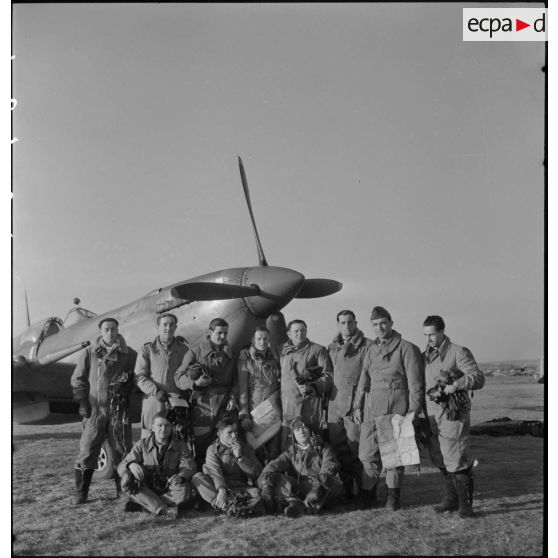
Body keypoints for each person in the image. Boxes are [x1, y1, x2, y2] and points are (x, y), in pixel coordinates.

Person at [354, 306, 424, 511]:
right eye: (375, 325)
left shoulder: (407, 348)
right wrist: (357, 405)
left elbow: (416, 384)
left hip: (396, 406)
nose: (379, 328)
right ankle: (367, 494)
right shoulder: (370, 350)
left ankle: (393, 496)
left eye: (383, 323)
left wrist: (413, 411)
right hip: (372, 408)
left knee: (393, 453)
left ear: (391, 323)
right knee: (367, 453)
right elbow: (363, 380)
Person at [422, 315, 485, 517]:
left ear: (442, 331)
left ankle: (465, 506)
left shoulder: (458, 352)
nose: (429, 339)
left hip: (453, 413)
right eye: (426, 335)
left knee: (457, 457)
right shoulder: (425, 356)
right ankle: (451, 500)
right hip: (433, 415)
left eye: (432, 334)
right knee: (440, 457)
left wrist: (456, 385)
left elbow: (478, 378)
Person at [70, 317, 137, 504]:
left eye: (113, 329)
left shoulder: (129, 354)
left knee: (121, 451)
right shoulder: (90, 353)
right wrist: (83, 400)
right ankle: (81, 493)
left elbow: (137, 376)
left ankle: (123, 491)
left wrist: (128, 387)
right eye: (106, 329)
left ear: (117, 331)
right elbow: (77, 378)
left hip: (118, 411)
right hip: (95, 411)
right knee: (87, 450)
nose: (110, 332)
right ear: (100, 331)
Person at [174, 318, 237, 465]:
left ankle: (225, 475)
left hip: (224, 406)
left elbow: (236, 380)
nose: (223, 336)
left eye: (225, 333)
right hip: (202, 407)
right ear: (210, 332)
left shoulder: (230, 354)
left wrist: (233, 397)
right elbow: (178, 377)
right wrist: (195, 384)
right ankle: (201, 475)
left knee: (226, 446)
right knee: (202, 445)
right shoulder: (196, 352)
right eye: (219, 333)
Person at [327, 310, 373, 501]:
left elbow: (369, 375)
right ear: (338, 324)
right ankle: (347, 491)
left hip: (356, 404)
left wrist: (360, 404)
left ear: (356, 323)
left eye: (350, 322)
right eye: (343, 322)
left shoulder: (367, 346)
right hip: (334, 405)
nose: (346, 326)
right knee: (339, 450)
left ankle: (365, 491)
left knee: (358, 450)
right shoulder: (331, 348)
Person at [258, 417, 344, 517]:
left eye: (304, 428)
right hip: (300, 487)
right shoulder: (291, 451)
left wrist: (318, 487)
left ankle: (304, 507)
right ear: (293, 434)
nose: (301, 432)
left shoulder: (324, 448)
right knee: (273, 477)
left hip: (320, 484)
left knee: (332, 485)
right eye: (297, 430)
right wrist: (266, 485)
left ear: (310, 431)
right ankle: (293, 502)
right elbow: (273, 465)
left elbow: (329, 467)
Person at [118, 410, 197, 516]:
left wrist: (181, 476)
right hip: (147, 487)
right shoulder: (142, 444)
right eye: (160, 425)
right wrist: (131, 464)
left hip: (169, 489)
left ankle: (146, 505)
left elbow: (190, 466)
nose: (163, 429)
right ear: (153, 427)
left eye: (167, 425)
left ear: (172, 428)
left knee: (184, 490)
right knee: (126, 482)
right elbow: (121, 466)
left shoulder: (180, 445)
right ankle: (163, 509)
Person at [191, 415, 264, 516]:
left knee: (257, 493)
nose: (234, 435)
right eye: (230, 432)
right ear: (219, 434)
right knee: (197, 478)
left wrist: (240, 458)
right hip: (218, 488)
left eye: (236, 431)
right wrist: (222, 489)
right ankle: (231, 506)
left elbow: (256, 473)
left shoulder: (245, 447)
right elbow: (214, 472)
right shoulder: (212, 449)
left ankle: (225, 506)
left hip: (239, 488)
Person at [279, 320, 333, 451]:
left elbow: (328, 375)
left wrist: (313, 387)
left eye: (302, 330)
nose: (300, 334)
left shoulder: (318, 350)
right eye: (296, 331)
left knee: (312, 444)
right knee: (288, 447)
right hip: (289, 408)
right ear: (289, 334)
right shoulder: (283, 352)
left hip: (309, 408)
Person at [135, 313, 190, 438]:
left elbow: (187, 374)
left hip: (176, 403)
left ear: (176, 327)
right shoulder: (147, 349)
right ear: (158, 327)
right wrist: (155, 391)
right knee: (149, 439)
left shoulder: (184, 351)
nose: (168, 328)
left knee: (175, 440)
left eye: (171, 325)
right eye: (165, 324)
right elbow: (139, 376)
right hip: (153, 402)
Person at [238, 326, 282, 464]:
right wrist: (244, 415)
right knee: (257, 452)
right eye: (259, 339)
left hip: (274, 408)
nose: (262, 341)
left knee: (274, 451)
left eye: (265, 338)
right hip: (255, 411)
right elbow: (243, 390)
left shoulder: (276, 358)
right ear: (252, 340)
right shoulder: (245, 360)